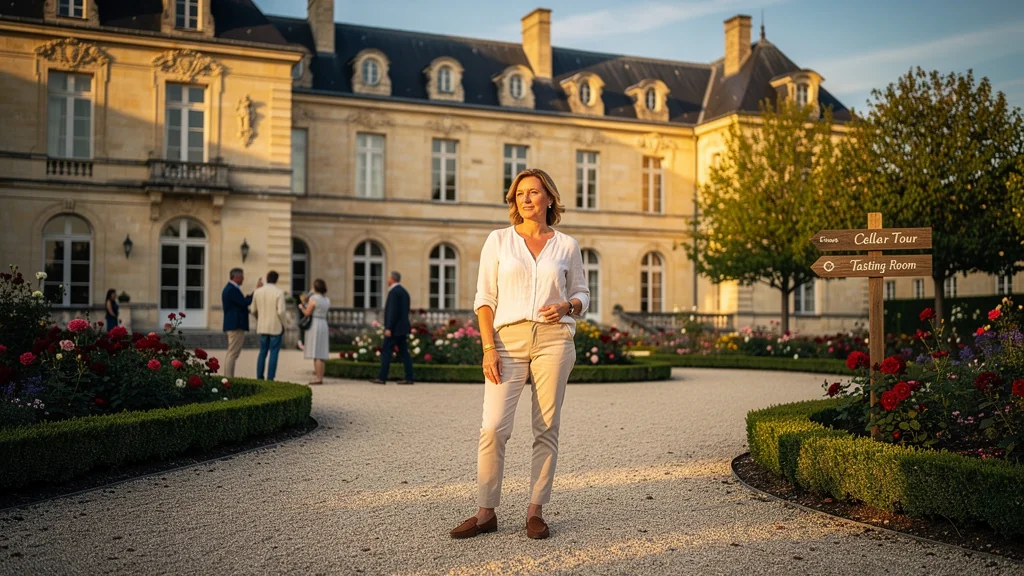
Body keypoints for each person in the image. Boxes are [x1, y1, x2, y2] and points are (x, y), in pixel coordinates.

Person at [450, 168, 589, 541]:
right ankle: (485, 512)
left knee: (546, 427)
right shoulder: (498, 241)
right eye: (519, 194)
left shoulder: (566, 245)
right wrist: (488, 348)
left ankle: (535, 511)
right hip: (507, 341)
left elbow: (583, 295)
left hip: (554, 340)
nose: (525, 199)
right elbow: (484, 300)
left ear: (549, 198)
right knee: (493, 427)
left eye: (533, 192)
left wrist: (566, 306)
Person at [369, 271, 414, 385]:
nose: (387, 280)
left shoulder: (394, 292)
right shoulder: (404, 292)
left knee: (386, 351)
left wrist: (388, 327)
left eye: (388, 278)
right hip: (402, 328)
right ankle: (409, 377)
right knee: (404, 353)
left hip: (394, 329)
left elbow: (392, 312)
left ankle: (382, 377)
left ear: (392, 279)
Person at [222, 268, 261, 378]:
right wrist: (256, 291)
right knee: (233, 353)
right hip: (235, 325)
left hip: (234, 324)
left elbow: (240, 303)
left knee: (233, 353)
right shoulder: (231, 289)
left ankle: (229, 377)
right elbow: (244, 302)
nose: (243, 279)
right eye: (242, 276)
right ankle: (228, 378)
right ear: (237, 277)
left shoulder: (232, 289)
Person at [251, 270, 287, 381]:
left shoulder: (258, 291)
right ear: (276, 280)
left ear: (267, 278)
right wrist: (283, 323)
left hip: (262, 326)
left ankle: (259, 377)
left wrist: (259, 318)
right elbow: (281, 311)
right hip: (275, 326)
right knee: (274, 353)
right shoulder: (279, 292)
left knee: (262, 352)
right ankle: (270, 378)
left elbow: (252, 310)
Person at [298, 278, 330, 385]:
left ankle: (318, 378)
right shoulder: (326, 299)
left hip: (315, 324)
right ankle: (320, 376)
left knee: (316, 352)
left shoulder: (313, 298)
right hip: (324, 323)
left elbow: (307, 313)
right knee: (322, 352)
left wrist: (301, 307)